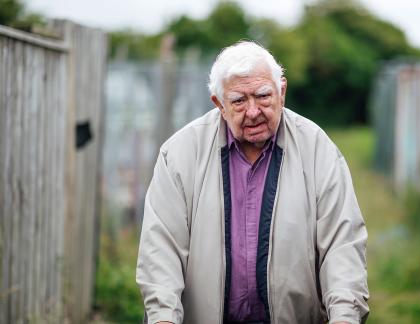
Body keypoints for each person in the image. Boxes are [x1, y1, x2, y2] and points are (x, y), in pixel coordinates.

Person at [136, 41, 369, 324]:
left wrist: (345, 316)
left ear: (281, 91)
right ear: (219, 104)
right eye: (238, 101)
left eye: (262, 96)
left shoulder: (317, 149)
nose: (253, 111)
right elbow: (161, 247)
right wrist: (163, 317)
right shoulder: (180, 154)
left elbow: (342, 243)